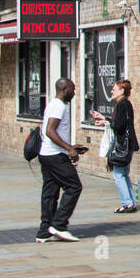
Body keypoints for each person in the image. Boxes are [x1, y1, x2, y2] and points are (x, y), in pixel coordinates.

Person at [35, 77, 87, 243]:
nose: (75, 92)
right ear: (65, 90)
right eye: (73, 89)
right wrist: (68, 149)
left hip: (47, 154)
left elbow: (51, 132)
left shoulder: (53, 104)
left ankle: (44, 231)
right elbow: (50, 131)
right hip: (55, 156)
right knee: (74, 186)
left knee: (50, 193)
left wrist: (71, 145)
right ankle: (59, 225)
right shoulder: (59, 107)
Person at [91, 79, 140, 212]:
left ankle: (127, 204)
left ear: (122, 91)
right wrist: (104, 119)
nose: (111, 91)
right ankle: (131, 203)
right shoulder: (126, 104)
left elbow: (118, 126)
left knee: (119, 175)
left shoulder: (121, 105)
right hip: (128, 144)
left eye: (114, 89)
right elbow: (119, 122)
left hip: (122, 146)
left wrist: (105, 122)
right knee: (124, 174)